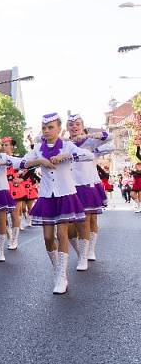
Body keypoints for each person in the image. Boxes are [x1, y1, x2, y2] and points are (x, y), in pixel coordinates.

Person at [20, 112, 94, 295]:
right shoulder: (38, 147)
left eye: (50, 127)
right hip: (46, 196)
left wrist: (65, 156)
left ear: (59, 129)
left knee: (62, 234)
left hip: (66, 195)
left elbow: (87, 156)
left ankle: (61, 276)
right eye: (44, 127)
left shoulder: (68, 145)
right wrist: (39, 160)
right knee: (47, 238)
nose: (46, 130)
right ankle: (58, 269)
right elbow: (22, 162)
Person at [66, 115, 113, 268]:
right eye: (71, 124)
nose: (74, 127)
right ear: (67, 127)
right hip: (69, 188)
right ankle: (82, 251)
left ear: (83, 125)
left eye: (77, 124)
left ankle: (86, 253)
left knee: (88, 221)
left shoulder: (90, 142)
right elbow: (41, 140)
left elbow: (109, 138)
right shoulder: (64, 144)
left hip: (87, 185)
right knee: (69, 227)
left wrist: (88, 135)